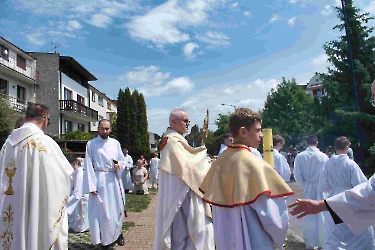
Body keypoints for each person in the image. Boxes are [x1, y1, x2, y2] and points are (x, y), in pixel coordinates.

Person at [288, 80, 375, 240]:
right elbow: (363, 187)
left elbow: (319, 183)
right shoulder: (347, 163)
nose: (373, 102)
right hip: (345, 197)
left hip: (331, 195)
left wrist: (313, 192)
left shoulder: (325, 161)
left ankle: (311, 243)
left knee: (328, 229)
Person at [200, 108, 294, 250]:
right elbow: (274, 218)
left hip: (225, 242)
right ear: (243, 132)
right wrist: (279, 239)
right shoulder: (253, 163)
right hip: (253, 240)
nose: (261, 135)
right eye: (258, 130)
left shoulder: (219, 162)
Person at [0, 104, 73, 249]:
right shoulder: (44, 143)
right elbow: (63, 176)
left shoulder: (6, 145)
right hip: (34, 204)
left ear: (26, 117)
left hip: (9, 204)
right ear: (45, 120)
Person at [154, 108, 214, 250]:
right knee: (181, 233)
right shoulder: (172, 141)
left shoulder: (178, 139)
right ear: (174, 121)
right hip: (179, 193)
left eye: (188, 121)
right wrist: (202, 157)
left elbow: (188, 160)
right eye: (185, 121)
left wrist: (200, 156)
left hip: (183, 189)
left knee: (189, 231)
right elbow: (187, 166)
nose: (188, 124)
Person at [319, 136, 374, 249]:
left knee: (335, 230)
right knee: (357, 229)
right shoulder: (351, 164)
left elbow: (324, 185)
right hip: (350, 196)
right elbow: (361, 184)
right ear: (347, 147)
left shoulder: (327, 164)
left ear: (335, 147)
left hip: (333, 197)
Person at [82, 119, 127, 249]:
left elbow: (122, 160)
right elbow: (88, 165)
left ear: (110, 129)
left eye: (107, 129)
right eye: (102, 128)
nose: (105, 131)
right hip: (99, 179)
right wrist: (91, 185)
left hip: (113, 179)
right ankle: (104, 239)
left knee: (116, 209)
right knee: (102, 212)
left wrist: (119, 165)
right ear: (98, 129)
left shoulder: (115, 143)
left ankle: (117, 233)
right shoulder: (91, 144)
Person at [294, 135, 329, 250]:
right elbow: (328, 174)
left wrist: (305, 185)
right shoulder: (324, 156)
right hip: (321, 187)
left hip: (308, 186)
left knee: (308, 214)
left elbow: (297, 175)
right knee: (322, 215)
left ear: (306, 143)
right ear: (317, 143)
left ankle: (310, 243)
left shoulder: (300, 156)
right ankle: (322, 242)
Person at [67, 155, 89, 233]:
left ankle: (82, 228)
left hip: (81, 197)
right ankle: (76, 227)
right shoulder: (75, 173)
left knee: (80, 215)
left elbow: (78, 191)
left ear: (73, 164)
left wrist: (68, 201)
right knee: (76, 215)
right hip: (76, 195)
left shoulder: (79, 173)